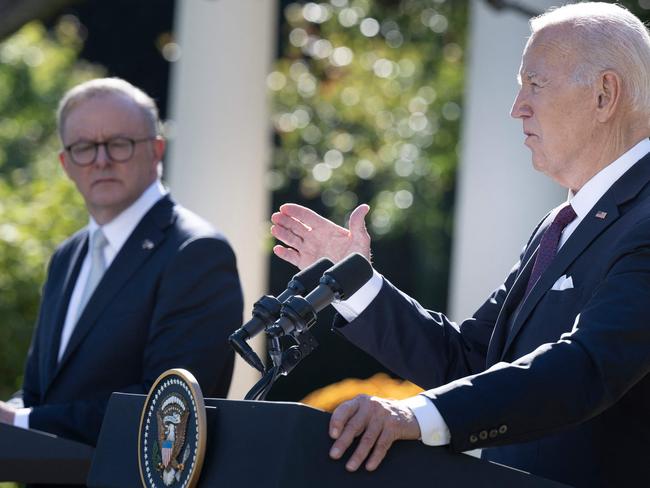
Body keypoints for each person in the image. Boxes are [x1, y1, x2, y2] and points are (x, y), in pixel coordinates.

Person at [271, 3, 650, 486]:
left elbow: (585, 367)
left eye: (535, 84)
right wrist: (356, 282)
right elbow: (470, 361)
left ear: (604, 94)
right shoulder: (561, 224)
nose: (517, 108)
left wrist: (417, 415)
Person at [0, 78, 243, 446]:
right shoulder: (67, 257)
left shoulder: (196, 252)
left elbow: (169, 408)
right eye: (84, 147)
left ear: (156, 150)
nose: (101, 160)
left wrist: (23, 421)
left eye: (119, 144)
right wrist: (14, 418)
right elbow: (40, 395)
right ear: (66, 163)